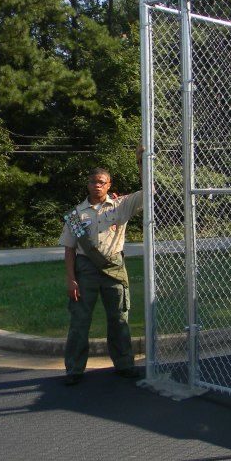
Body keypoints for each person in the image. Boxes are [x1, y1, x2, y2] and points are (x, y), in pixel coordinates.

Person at [59, 145, 146, 385]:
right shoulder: (76, 214)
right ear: (87, 184)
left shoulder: (121, 205)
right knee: (79, 321)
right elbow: (69, 249)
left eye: (102, 182)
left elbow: (150, 192)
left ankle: (125, 364)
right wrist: (71, 278)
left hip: (114, 268)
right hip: (85, 269)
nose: (97, 185)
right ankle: (74, 370)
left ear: (109, 185)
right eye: (93, 181)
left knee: (119, 318)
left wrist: (140, 163)